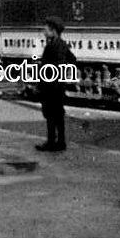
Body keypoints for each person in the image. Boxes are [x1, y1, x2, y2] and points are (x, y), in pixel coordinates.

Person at [36, 19, 75, 152]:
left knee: (50, 114)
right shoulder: (62, 44)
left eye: (46, 30)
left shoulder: (53, 46)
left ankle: (51, 142)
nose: (43, 32)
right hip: (58, 85)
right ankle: (61, 142)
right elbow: (72, 59)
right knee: (58, 114)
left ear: (53, 31)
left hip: (51, 86)